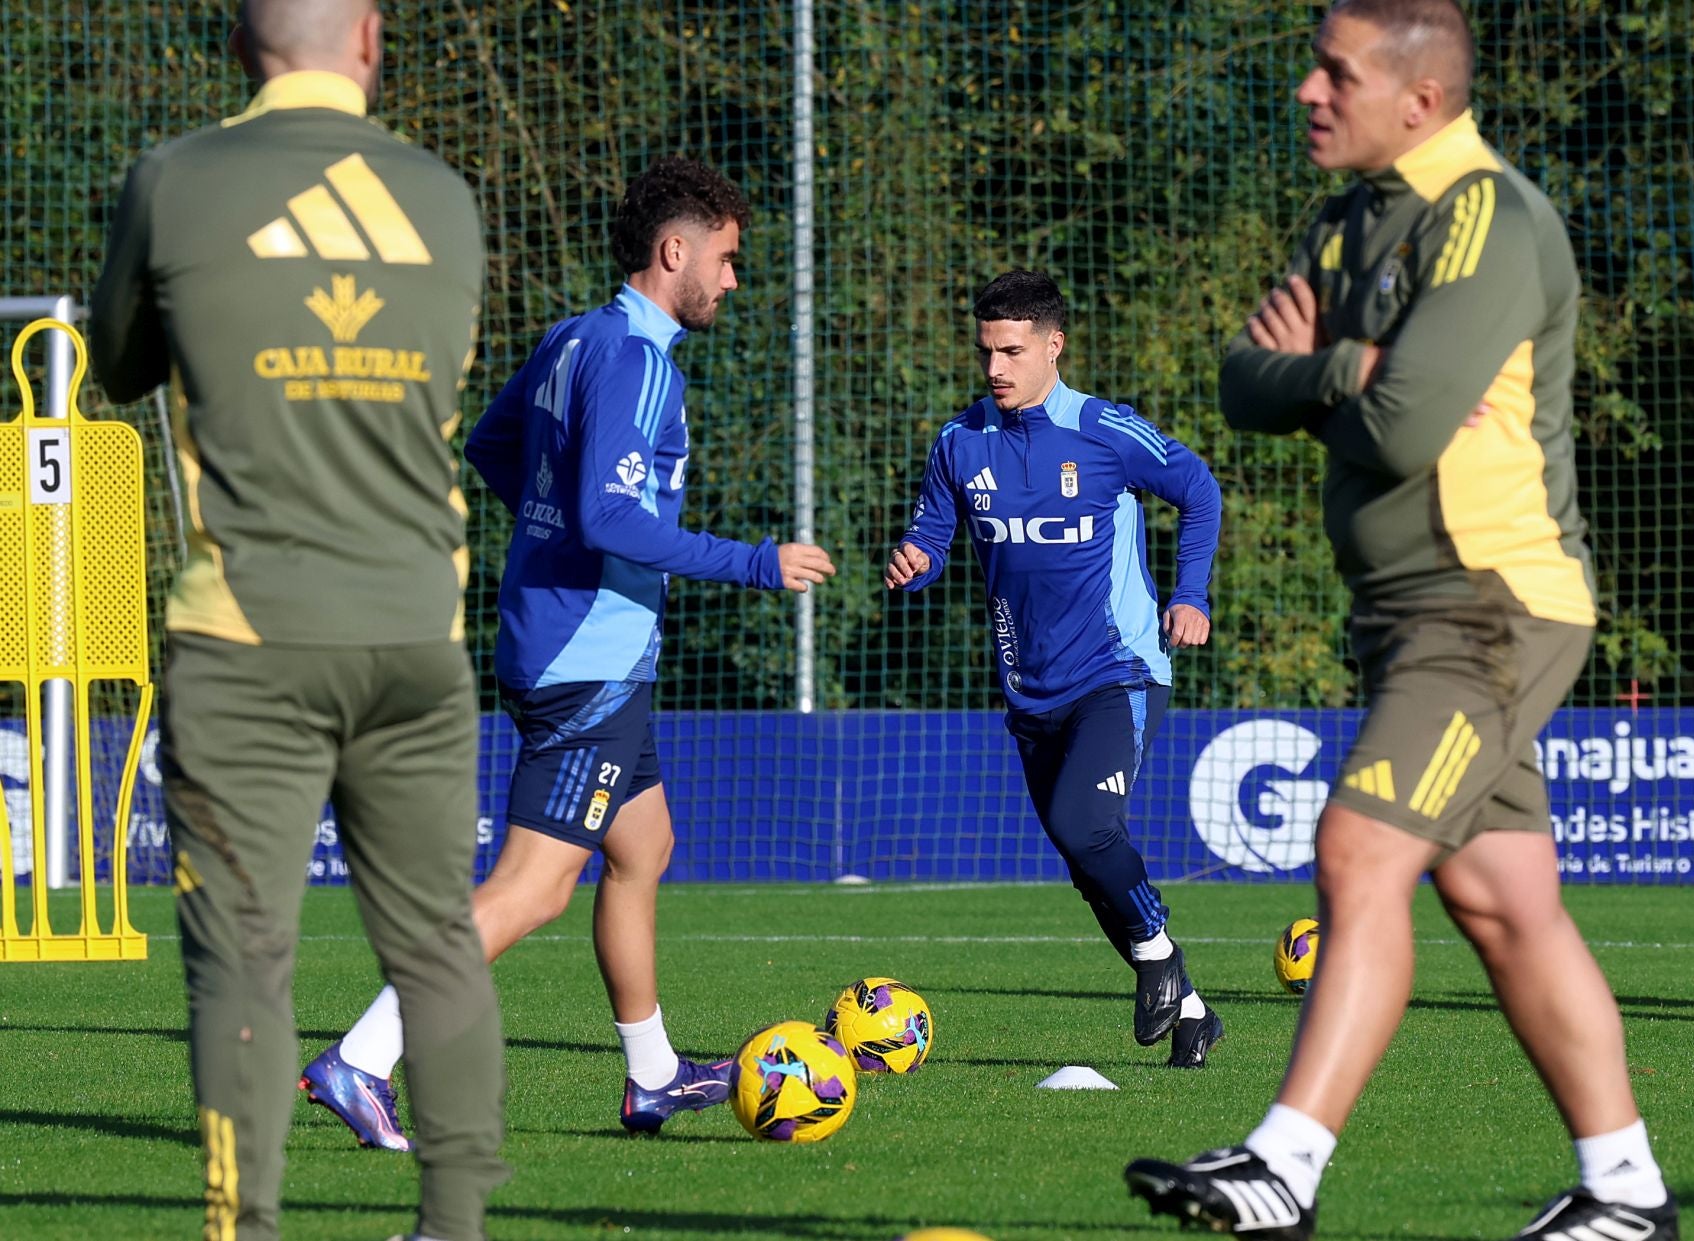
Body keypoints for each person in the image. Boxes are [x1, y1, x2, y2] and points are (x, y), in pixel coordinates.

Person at [1124, 2, 1677, 1238]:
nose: (1309, 91)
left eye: (1337, 72)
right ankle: (1627, 1192)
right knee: (1504, 903)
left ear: (1418, 98)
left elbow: (1407, 425)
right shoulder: (1353, 217)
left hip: (1485, 607)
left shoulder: (1488, 214)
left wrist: (1327, 374)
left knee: (1361, 850)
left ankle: (1285, 1163)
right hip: (1409, 614)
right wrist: (1342, 373)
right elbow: (1238, 377)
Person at [300, 155, 837, 1145]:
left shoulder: (572, 338)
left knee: (644, 844)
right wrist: (756, 561)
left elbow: (496, 448)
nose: (732, 279)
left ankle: (655, 1074)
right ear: (673, 251)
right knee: (535, 886)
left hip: (577, 645)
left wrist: (548, 530)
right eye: (724, 258)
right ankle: (363, 1056)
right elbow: (606, 513)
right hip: (584, 658)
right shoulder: (637, 359)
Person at [89, 1, 507, 1237]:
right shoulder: (443, 199)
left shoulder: (174, 180)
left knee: (244, 961)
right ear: (372, 39)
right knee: (436, 942)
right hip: (416, 638)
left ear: (237, 49)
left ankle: (245, 1227)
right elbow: (444, 375)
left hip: (245, 639)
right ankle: (454, 1224)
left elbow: (118, 367)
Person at [885, 270, 1226, 1066]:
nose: (996, 367)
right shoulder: (959, 442)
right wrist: (915, 559)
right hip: (1028, 687)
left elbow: (1199, 489)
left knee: (1085, 826)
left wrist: (1193, 594)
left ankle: (1162, 963)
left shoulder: (1105, 431)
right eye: (986, 351)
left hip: (1119, 671)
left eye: (1012, 350)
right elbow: (933, 535)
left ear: (1053, 345)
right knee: (1086, 866)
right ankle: (1193, 1012)